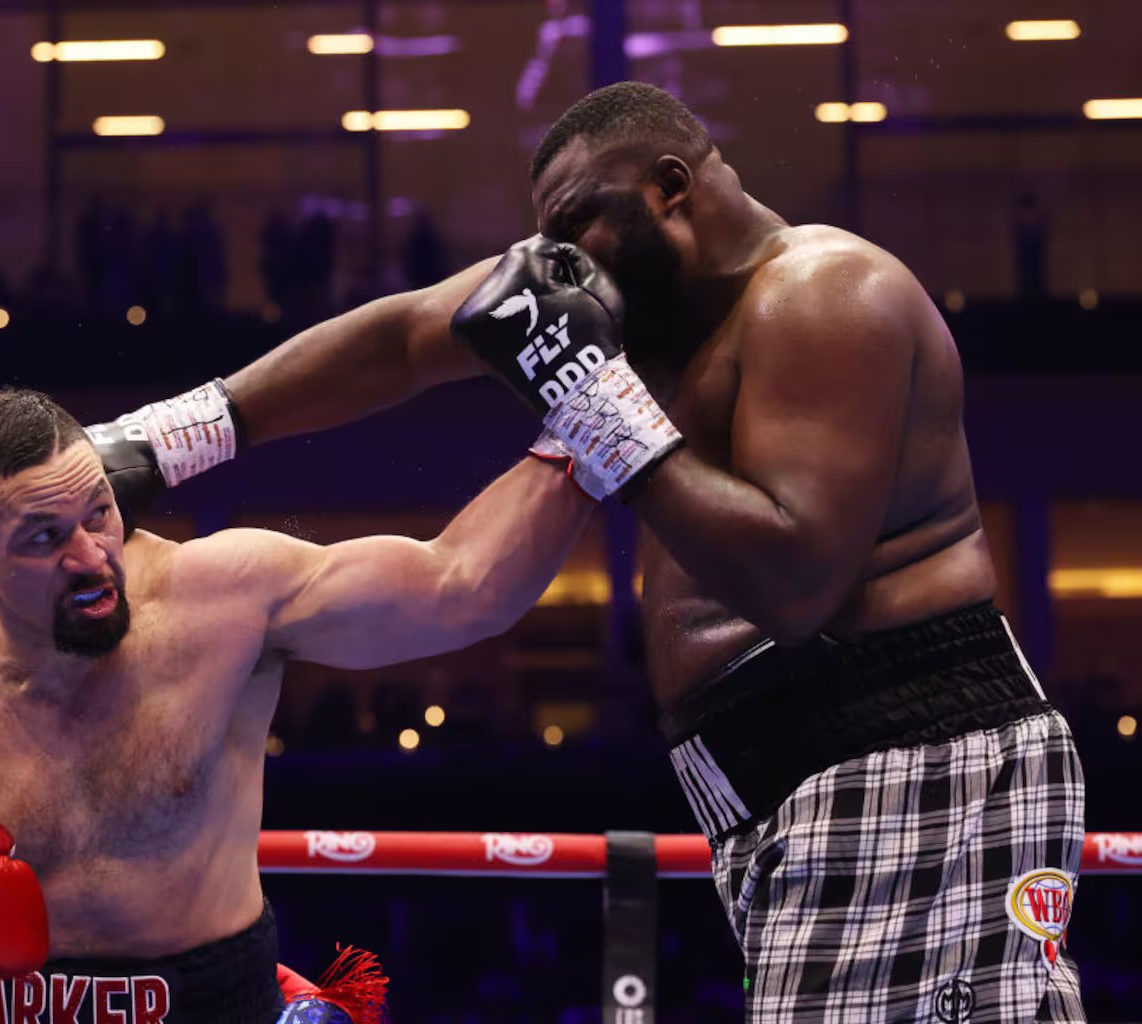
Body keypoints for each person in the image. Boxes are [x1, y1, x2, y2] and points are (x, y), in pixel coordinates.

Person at [105, 82, 1085, 1022]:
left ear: (670, 189)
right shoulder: (638, 312)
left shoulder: (824, 292)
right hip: (787, 779)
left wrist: (589, 396)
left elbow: (793, 585)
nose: (560, 259)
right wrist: (162, 442)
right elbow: (402, 338)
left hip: (903, 751)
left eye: (578, 223)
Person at [0, 387, 597, 1024]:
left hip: (220, 1002)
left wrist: (590, 416)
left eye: (98, 513)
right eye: (44, 538)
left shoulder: (224, 601)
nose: (90, 557)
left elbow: (463, 588)